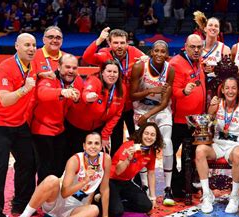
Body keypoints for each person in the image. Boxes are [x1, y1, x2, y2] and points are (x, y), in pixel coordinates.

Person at [8, 132, 118, 217]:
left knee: (94, 209)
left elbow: (104, 188)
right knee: (52, 179)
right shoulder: (75, 160)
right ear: (84, 146)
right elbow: (65, 193)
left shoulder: (105, 160)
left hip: (75, 209)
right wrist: (84, 181)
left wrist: (105, 215)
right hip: (57, 201)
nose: (93, 146)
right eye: (90, 143)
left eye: (96, 143)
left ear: (100, 146)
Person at [0, 33, 37, 217]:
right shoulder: (6, 67)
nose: (31, 49)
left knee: (28, 161)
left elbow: (39, 74)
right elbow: (5, 100)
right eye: (27, 45)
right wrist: (25, 89)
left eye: (33, 45)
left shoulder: (33, 65)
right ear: (16, 46)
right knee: (0, 166)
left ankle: (20, 204)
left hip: (18, 122)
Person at [82, 28, 145, 156]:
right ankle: (112, 169)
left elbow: (149, 61)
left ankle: (135, 172)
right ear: (109, 43)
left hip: (132, 104)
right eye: (115, 43)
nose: (119, 46)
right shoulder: (104, 53)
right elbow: (87, 57)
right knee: (115, 139)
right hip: (114, 103)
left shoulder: (134, 52)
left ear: (128, 43)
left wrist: (146, 60)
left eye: (122, 42)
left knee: (136, 138)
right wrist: (99, 40)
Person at [195, 78, 239, 214]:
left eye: (233, 88)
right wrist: (210, 110)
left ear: (238, 90)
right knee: (199, 151)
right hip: (218, 144)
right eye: (227, 88)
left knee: (238, 154)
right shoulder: (217, 104)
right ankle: (207, 195)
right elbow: (206, 120)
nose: (230, 91)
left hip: (236, 144)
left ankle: (234, 197)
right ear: (222, 90)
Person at [130, 40, 175, 205]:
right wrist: (150, 91)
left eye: (163, 51)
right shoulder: (139, 67)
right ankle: (144, 186)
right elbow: (132, 95)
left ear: (167, 54)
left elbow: (164, 102)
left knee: (167, 142)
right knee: (142, 145)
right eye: (156, 50)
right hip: (141, 107)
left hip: (160, 110)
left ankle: (168, 189)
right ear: (151, 52)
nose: (159, 54)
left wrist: (148, 115)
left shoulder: (170, 70)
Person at [31, 54, 83, 184]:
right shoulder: (50, 78)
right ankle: (43, 200)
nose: (71, 70)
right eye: (67, 67)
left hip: (60, 129)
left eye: (74, 68)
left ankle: (56, 198)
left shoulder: (77, 80)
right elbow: (42, 93)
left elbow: (80, 96)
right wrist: (60, 92)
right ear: (59, 67)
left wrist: (78, 99)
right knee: (45, 168)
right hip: (42, 129)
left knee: (60, 167)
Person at [169, 34, 206, 197]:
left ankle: (186, 184)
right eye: (193, 47)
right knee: (171, 152)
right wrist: (184, 92)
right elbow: (171, 90)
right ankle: (176, 186)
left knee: (189, 153)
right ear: (185, 46)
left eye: (199, 47)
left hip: (196, 119)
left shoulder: (198, 61)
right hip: (179, 120)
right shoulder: (176, 63)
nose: (196, 50)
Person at [65, 60, 124, 156]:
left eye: (115, 72)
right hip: (75, 127)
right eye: (109, 71)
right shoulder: (94, 80)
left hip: (96, 129)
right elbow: (87, 91)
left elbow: (117, 115)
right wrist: (88, 97)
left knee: (97, 158)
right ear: (102, 72)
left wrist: (105, 136)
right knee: (74, 159)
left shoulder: (121, 90)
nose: (112, 75)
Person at [107, 123, 163, 217]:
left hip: (126, 182)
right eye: (146, 133)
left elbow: (151, 173)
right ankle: (105, 200)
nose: (149, 137)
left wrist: (153, 197)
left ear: (156, 138)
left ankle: (119, 201)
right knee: (116, 212)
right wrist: (128, 159)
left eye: (152, 135)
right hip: (111, 180)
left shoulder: (151, 151)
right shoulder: (129, 146)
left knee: (147, 206)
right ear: (141, 134)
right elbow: (118, 171)